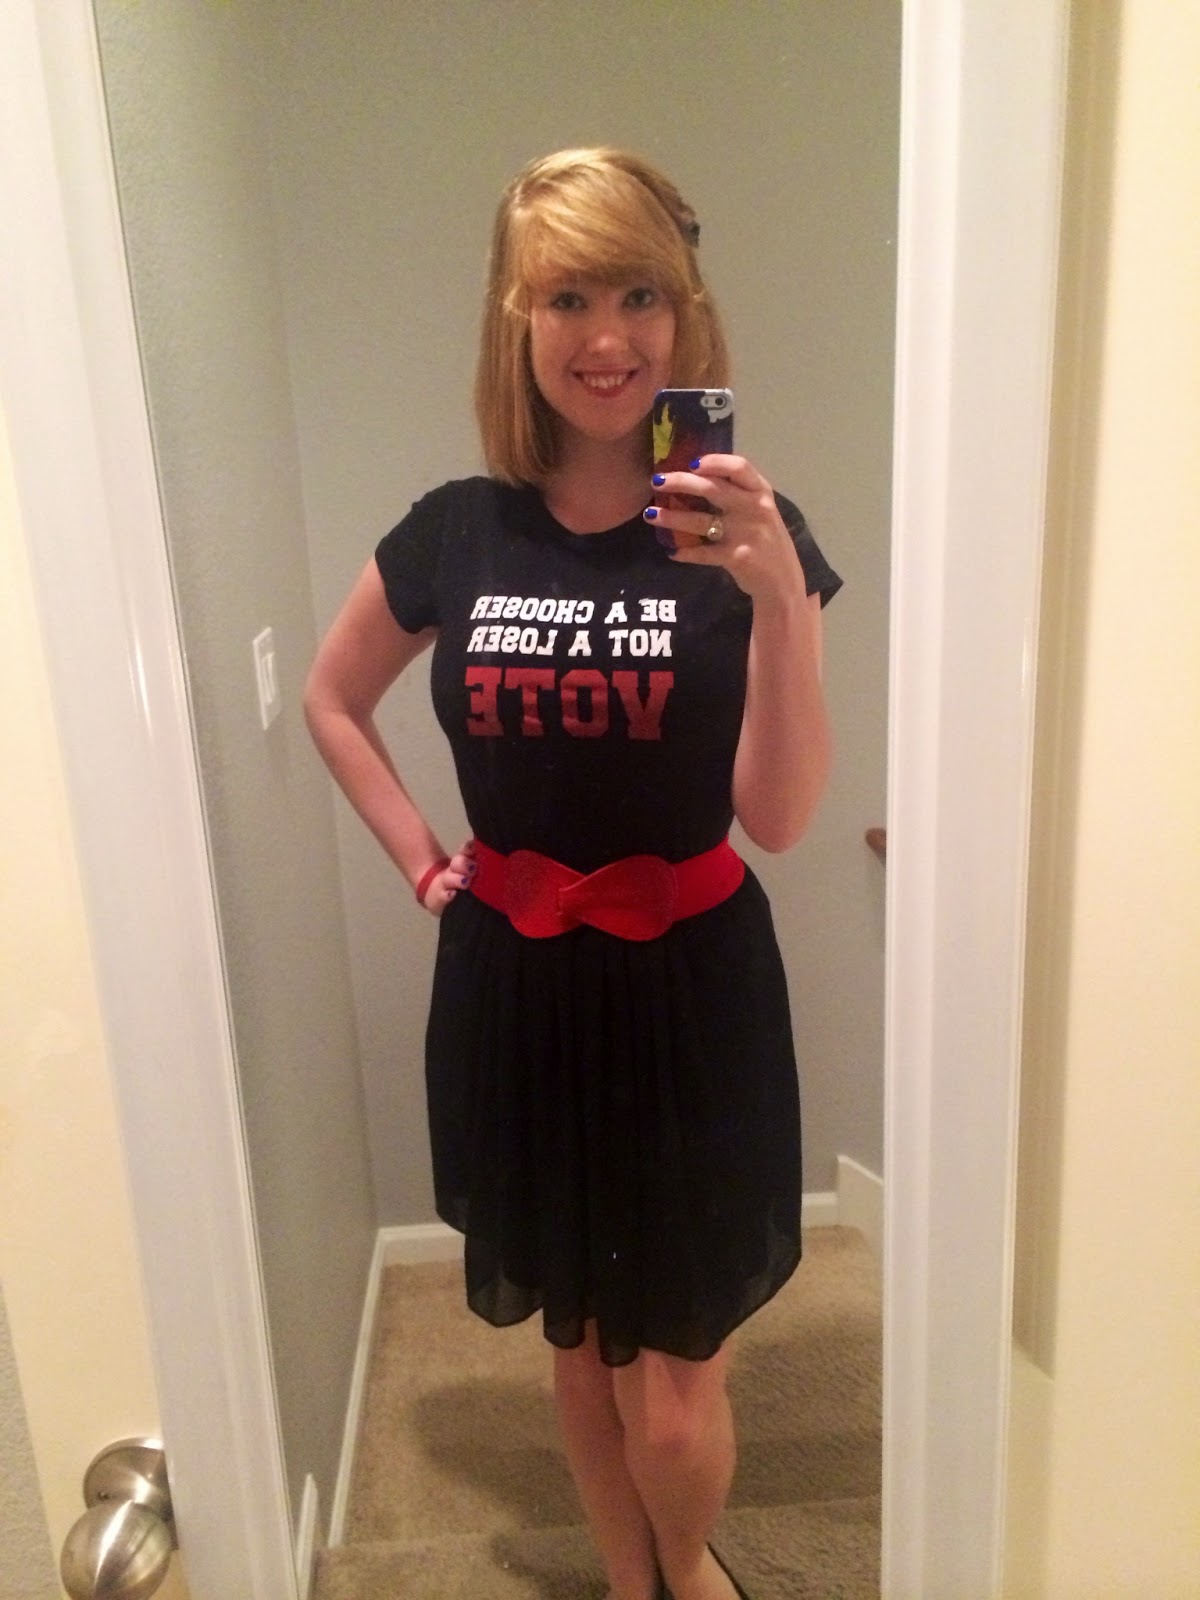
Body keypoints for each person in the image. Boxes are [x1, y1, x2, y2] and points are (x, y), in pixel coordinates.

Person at [305, 148, 841, 1600]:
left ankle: (690, 1573)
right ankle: (627, 1579)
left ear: (684, 313)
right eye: (567, 299)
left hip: (692, 988)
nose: (607, 337)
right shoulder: (456, 531)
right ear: (518, 319)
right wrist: (422, 863)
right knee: (585, 1347)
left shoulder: (751, 535)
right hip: (519, 983)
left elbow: (781, 816)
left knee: (677, 1379)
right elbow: (332, 699)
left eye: (638, 296)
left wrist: (779, 596)